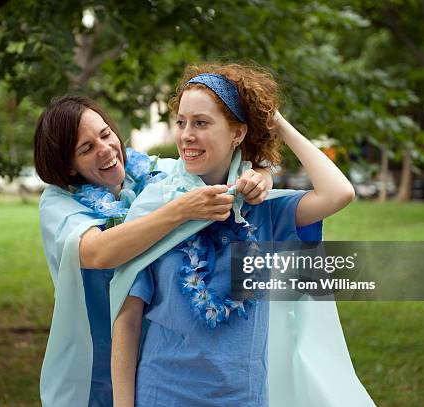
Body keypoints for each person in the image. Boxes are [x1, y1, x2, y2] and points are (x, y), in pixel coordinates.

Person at [111, 64, 374, 406]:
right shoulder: (156, 207)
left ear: (237, 133)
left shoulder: (262, 209)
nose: (186, 135)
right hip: (162, 392)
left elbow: (339, 193)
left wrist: (273, 120)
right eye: (181, 122)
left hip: (241, 396)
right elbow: (127, 318)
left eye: (201, 123)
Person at [33, 95, 274, 407]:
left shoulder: (154, 174)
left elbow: (224, 168)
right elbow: (99, 252)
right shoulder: (57, 202)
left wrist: (261, 175)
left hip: (162, 358)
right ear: (67, 166)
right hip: (96, 351)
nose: (106, 150)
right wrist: (180, 210)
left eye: (105, 134)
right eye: (86, 148)